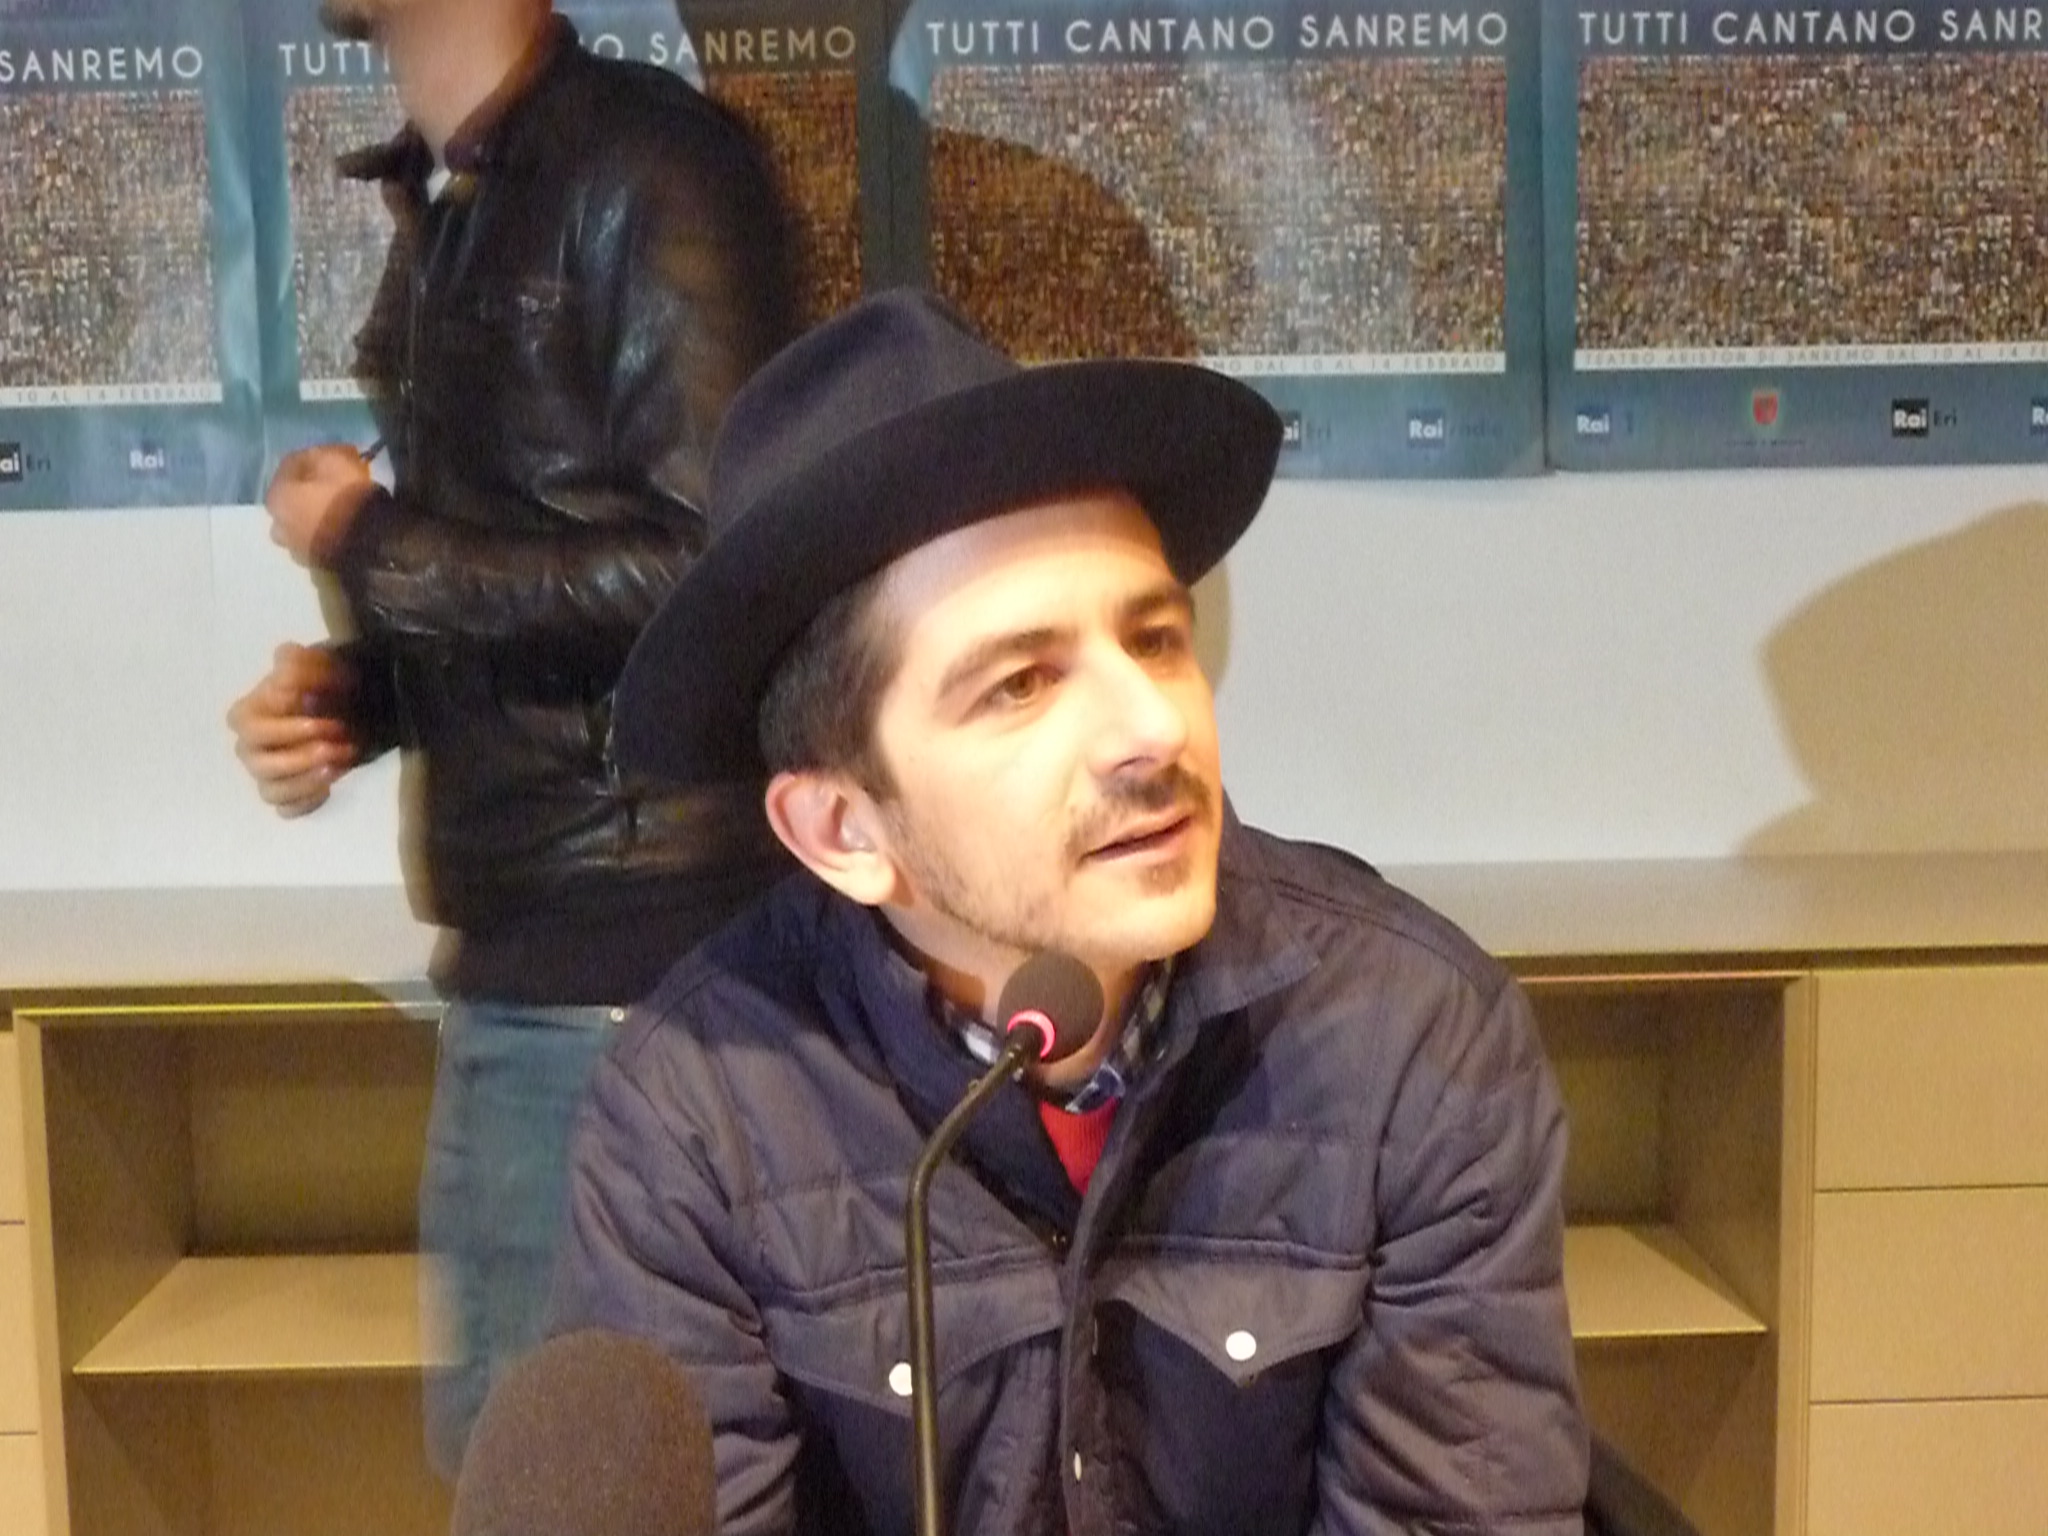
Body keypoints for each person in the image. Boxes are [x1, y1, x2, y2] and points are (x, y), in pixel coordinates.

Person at [548, 289, 1589, 1534]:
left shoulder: (1410, 1038)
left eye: (1155, 642)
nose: (1152, 728)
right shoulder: (696, 1111)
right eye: (1021, 685)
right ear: (843, 831)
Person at [224, 0, 799, 1479]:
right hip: (550, 969)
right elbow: (547, 582)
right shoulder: (461, 191)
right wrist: (359, 701)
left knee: (561, 1482)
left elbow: (715, 570)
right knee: (538, 1466)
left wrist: (370, 539)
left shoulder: (655, 168)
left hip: (625, 983)